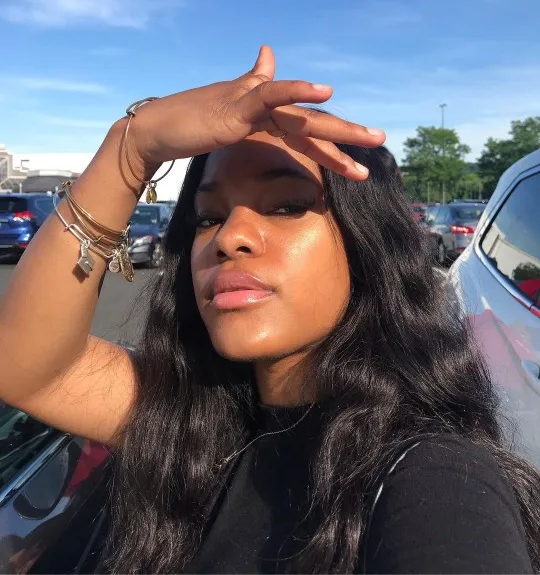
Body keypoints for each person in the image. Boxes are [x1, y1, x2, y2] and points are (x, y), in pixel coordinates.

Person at [0, 46, 538, 574]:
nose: (229, 237)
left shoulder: (435, 479)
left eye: (286, 205)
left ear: (367, 245)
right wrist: (131, 146)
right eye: (208, 217)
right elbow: (28, 367)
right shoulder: (187, 418)